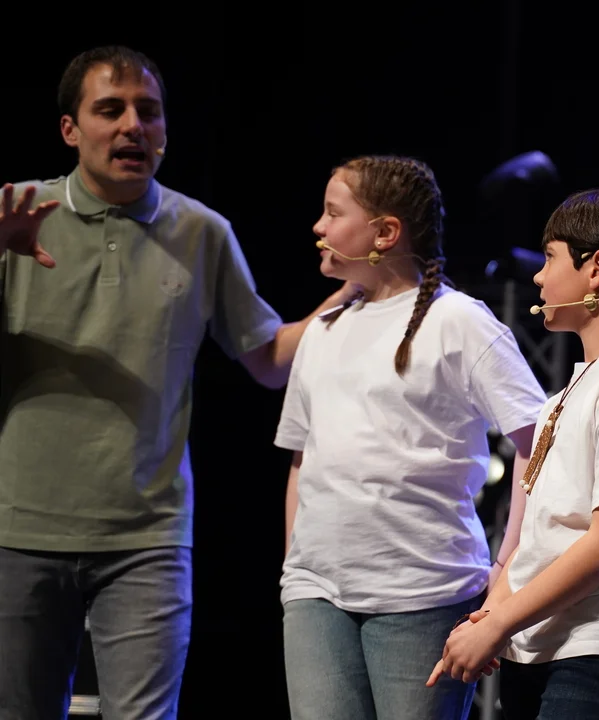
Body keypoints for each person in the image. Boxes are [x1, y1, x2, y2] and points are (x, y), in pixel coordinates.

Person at [0, 46, 358, 720]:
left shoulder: (201, 232)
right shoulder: (16, 215)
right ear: (70, 129)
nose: (133, 126)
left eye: (149, 111)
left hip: (149, 536)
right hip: (19, 528)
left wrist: (357, 288)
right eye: (110, 110)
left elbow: (268, 359)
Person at [273, 154, 547, 720]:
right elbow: (303, 458)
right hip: (316, 595)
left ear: (385, 233)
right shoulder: (322, 332)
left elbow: (537, 440)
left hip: (424, 593)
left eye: (333, 213)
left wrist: (507, 565)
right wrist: (295, 567)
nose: (318, 227)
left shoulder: (458, 321)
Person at [428, 185, 599, 720]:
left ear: (597, 269)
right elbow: (538, 535)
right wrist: (490, 617)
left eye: (550, 257)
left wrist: (502, 622)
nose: (538, 276)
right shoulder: (567, 395)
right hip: (545, 646)